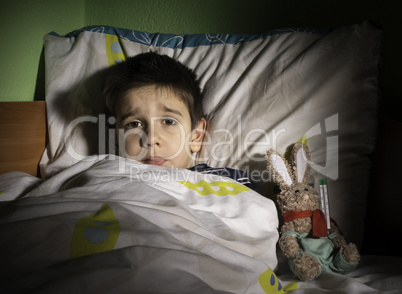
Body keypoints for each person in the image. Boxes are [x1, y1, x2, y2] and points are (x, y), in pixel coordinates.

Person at [102, 52, 253, 189]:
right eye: (134, 124)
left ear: (196, 136)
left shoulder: (224, 180)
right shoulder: (103, 179)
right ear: (116, 139)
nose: (151, 138)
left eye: (168, 122)